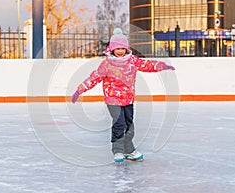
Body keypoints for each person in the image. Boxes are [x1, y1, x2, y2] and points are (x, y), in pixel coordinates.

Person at [71, 28, 175, 163]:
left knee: (129, 125)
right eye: (117, 48)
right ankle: (118, 150)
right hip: (113, 99)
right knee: (119, 123)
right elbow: (94, 77)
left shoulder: (132, 60)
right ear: (111, 49)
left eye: (122, 48)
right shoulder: (107, 64)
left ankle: (129, 149)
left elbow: (147, 65)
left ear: (126, 49)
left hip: (128, 98)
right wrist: (79, 90)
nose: (120, 51)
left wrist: (162, 66)